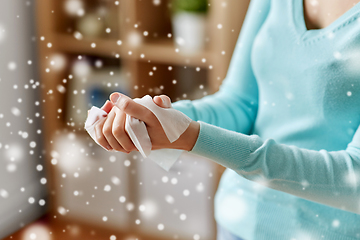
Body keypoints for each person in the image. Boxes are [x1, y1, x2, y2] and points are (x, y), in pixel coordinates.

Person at [92, 0, 360, 239]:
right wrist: (161, 116)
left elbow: (354, 179)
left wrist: (192, 136)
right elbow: (240, 102)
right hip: (237, 221)